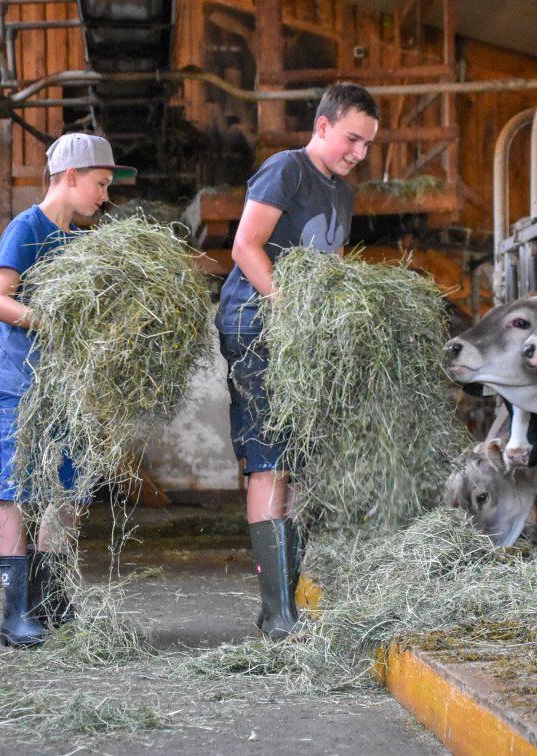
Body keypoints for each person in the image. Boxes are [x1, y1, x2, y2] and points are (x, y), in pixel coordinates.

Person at [215, 82, 379, 639]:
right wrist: (294, 310)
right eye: (352, 139)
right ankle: (276, 612)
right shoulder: (286, 169)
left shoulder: (344, 194)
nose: (358, 153)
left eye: (367, 145)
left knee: (303, 461)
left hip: (301, 340)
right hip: (257, 325)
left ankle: (284, 601)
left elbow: (329, 265)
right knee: (271, 459)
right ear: (325, 125)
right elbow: (245, 247)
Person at [0, 133, 136, 648]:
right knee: (17, 492)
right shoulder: (27, 229)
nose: (104, 196)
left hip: (63, 389)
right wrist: (52, 323)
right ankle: (14, 612)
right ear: (70, 177)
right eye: (100, 183)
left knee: (65, 493)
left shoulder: (82, 242)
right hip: (18, 383)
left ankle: (49, 599)